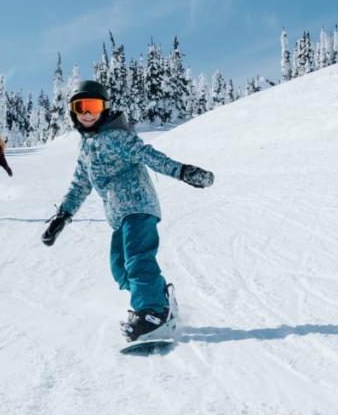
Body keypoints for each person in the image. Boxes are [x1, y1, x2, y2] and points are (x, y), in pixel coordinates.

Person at [40, 80, 214, 343]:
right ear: (73, 112)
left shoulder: (118, 137)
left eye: (93, 106)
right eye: (81, 107)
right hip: (118, 216)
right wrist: (62, 216)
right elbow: (79, 184)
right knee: (119, 268)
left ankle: (152, 312)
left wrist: (181, 171)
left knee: (137, 258)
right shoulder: (85, 148)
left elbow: (148, 155)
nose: (87, 113)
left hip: (138, 206)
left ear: (104, 107)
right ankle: (160, 301)